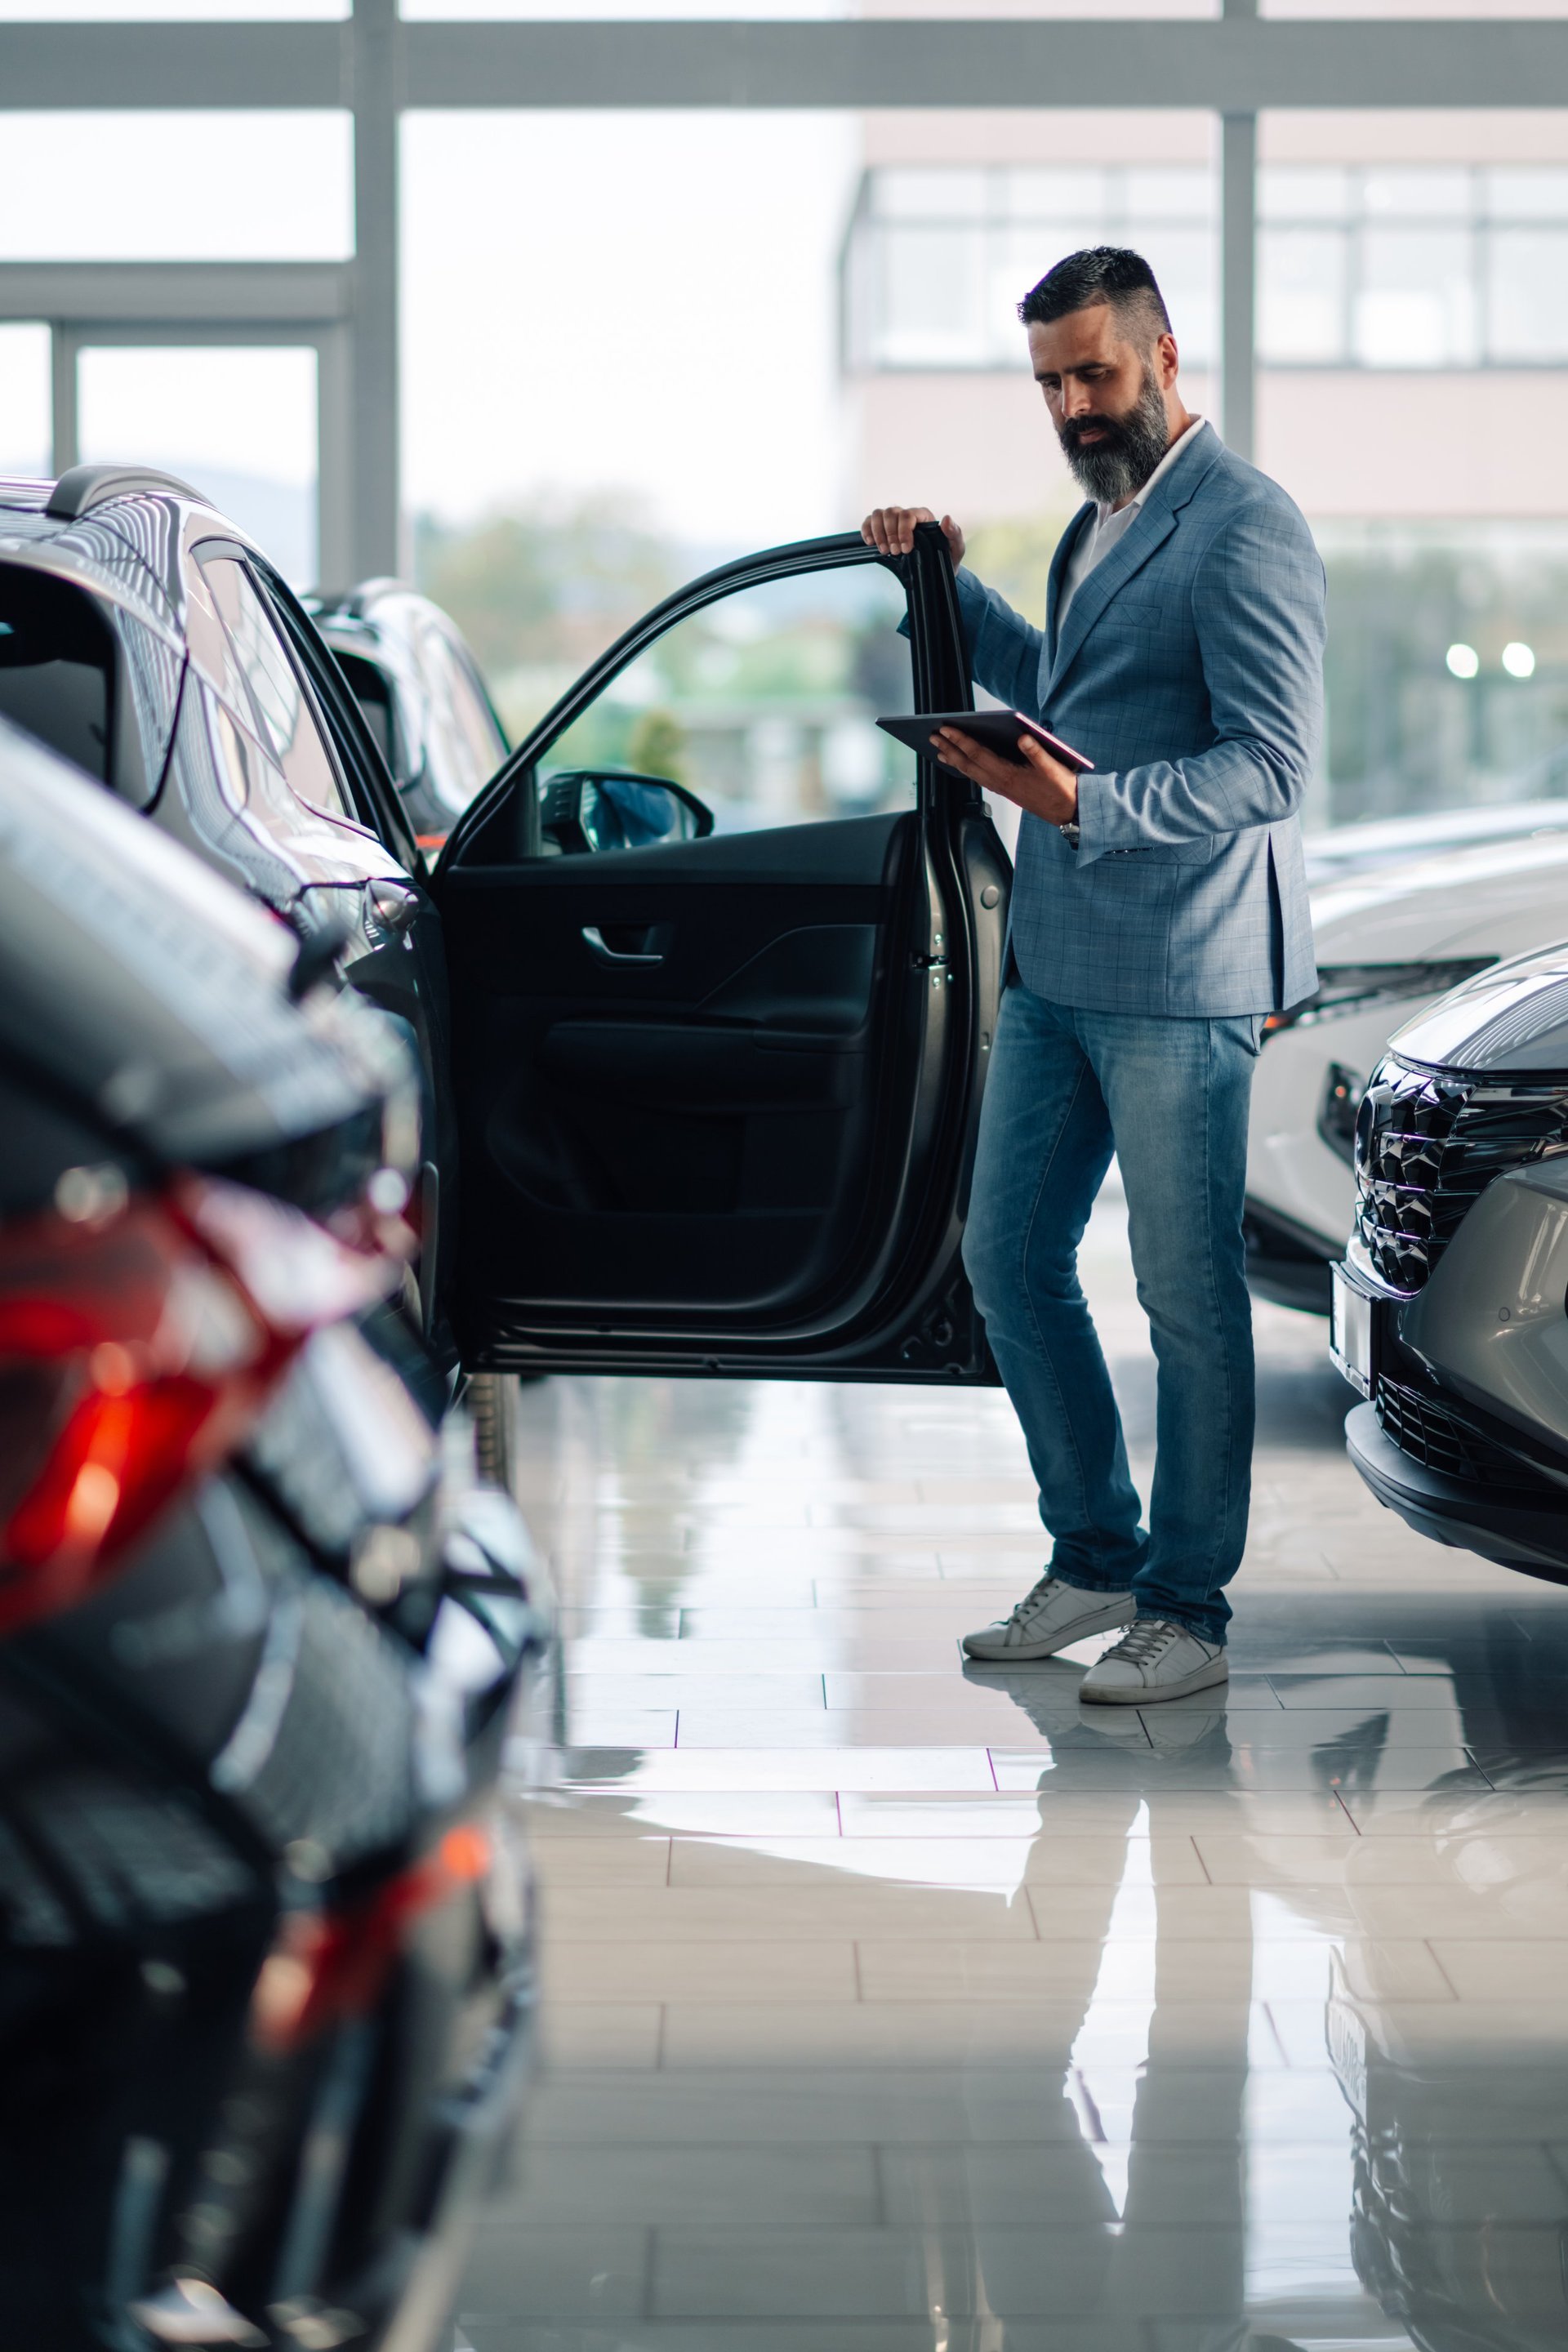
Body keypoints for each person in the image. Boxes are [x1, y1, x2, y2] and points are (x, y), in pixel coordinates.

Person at [862, 245, 1325, 1704]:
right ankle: (1095, 1557)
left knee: (1186, 1302)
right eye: (1052, 383)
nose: (1071, 405)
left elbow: (1271, 764)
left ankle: (1188, 1608)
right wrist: (937, 572)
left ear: (1165, 356)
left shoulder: (1245, 525)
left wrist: (1089, 809)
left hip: (1182, 973)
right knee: (1007, 1260)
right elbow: (1071, 691)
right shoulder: (1098, 522)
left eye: (1094, 375)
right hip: (1058, 962)